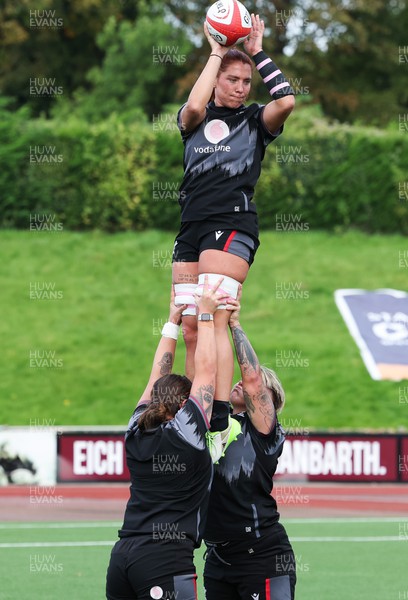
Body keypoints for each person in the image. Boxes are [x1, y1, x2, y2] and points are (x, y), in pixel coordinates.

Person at [172, 14, 295, 422]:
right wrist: (216, 51)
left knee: (215, 319)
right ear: (216, 79)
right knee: (191, 325)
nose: (241, 88)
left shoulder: (256, 120)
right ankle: (194, 416)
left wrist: (258, 53)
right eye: (233, 79)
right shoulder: (193, 121)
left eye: (246, 82)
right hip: (191, 227)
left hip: (234, 224)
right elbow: (193, 104)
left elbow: (286, 102)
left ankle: (218, 419)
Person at [106, 278, 227, 600]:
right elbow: (207, 373)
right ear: (185, 405)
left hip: (123, 554)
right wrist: (206, 315)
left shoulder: (136, 428)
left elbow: (155, 378)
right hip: (164, 557)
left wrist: (172, 322)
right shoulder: (186, 432)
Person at [203, 289, 297, 600]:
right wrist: (204, 320)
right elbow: (206, 373)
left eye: (256, 383)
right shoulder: (217, 422)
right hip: (218, 558)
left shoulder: (265, 432)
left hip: (263, 555)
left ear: (269, 402)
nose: (242, 380)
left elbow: (253, 379)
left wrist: (234, 324)